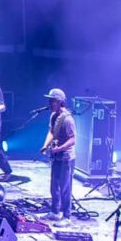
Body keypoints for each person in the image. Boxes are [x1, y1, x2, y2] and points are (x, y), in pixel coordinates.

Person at [39, 88, 76, 222]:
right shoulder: (53, 116)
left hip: (66, 157)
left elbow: (72, 139)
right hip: (56, 157)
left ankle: (66, 216)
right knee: (54, 185)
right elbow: (51, 132)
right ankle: (55, 211)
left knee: (65, 187)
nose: (50, 103)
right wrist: (45, 145)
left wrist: (59, 148)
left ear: (60, 102)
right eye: (49, 100)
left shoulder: (68, 119)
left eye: (52, 101)